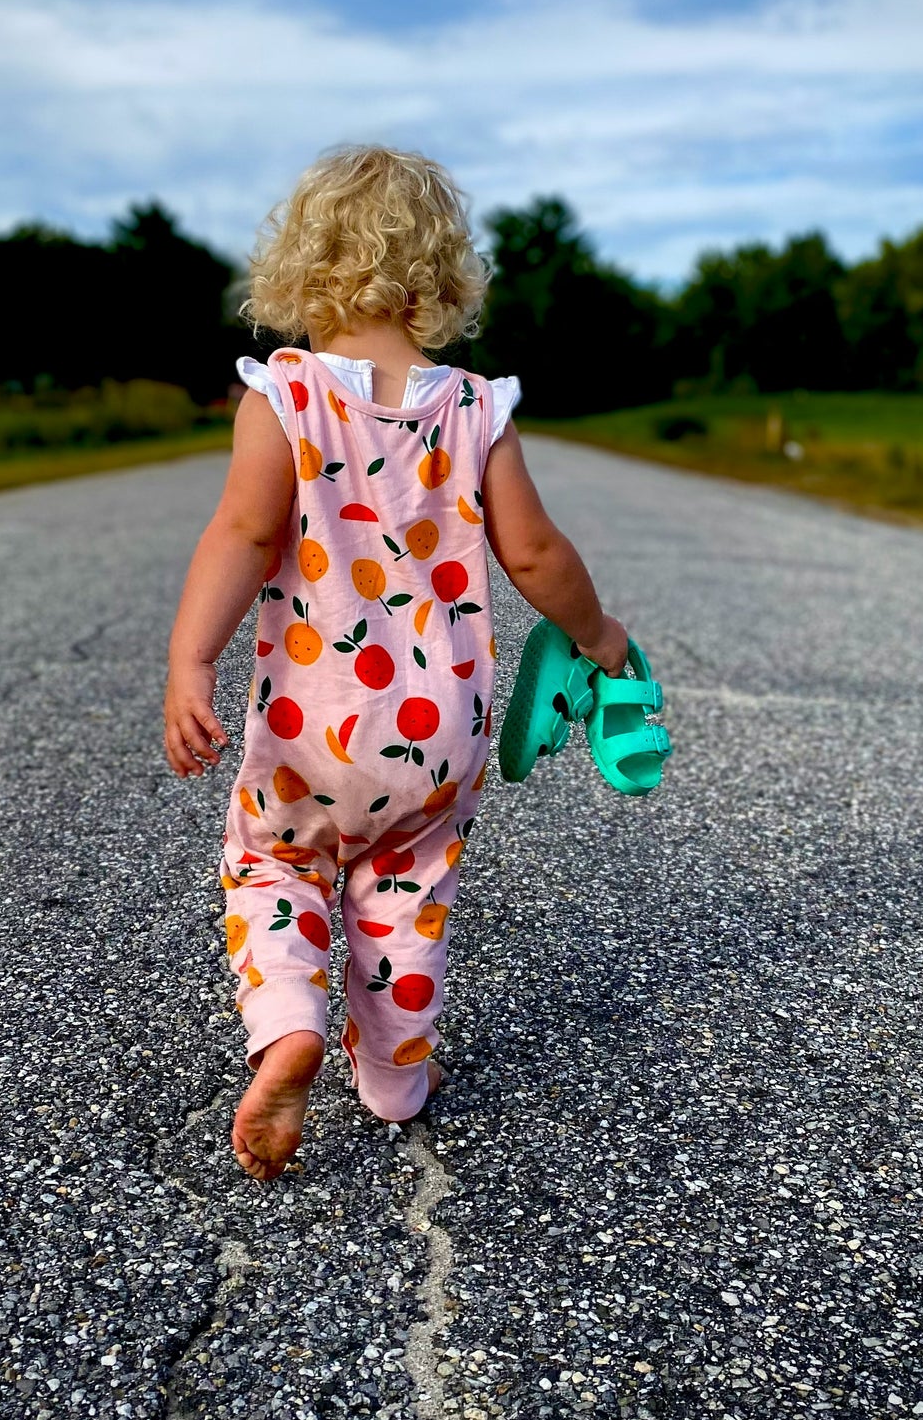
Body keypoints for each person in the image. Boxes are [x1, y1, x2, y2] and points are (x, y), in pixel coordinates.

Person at [163, 146, 629, 1180]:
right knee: (408, 887)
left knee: (274, 865)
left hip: (308, 732)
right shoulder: (474, 408)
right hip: (436, 731)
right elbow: (536, 554)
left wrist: (191, 663)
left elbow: (240, 537)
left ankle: (288, 1022)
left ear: (301, 271)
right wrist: (600, 639)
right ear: (438, 278)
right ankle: (392, 1080)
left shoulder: (282, 400)